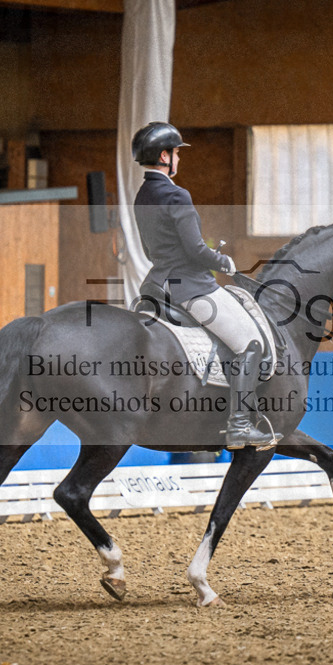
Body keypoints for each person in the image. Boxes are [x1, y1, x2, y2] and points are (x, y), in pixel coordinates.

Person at [131, 121, 275, 450]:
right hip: (190, 288)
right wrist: (222, 261)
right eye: (177, 153)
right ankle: (239, 425)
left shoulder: (142, 196)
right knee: (250, 343)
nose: (179, 159)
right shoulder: (175, 194)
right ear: (165, 156)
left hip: (156, 285)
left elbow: (150, 251)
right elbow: (195, 249)